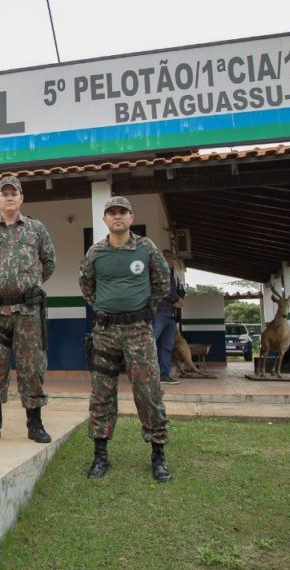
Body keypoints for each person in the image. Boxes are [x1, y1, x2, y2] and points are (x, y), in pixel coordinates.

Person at [78, 196, 172, 482]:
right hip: (105, 333)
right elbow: (86, 285)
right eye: (111, 213)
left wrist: (143, 310)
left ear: (131, 217)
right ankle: (100, 455)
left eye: (122, 212)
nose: (117, 217)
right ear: (105, 219)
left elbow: (162, 282)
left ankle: (158, 455)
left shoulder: (146, 248)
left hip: (138, 332)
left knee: (148, 391)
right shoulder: (95, 252)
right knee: (102, 394)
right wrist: (108, 308)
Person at [0, 175, 56, 444]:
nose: (9, 197)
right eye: (3, 194)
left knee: (32, 367)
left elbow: (49, 261)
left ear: (21, 198)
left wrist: (31, 285)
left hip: (28, 311)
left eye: (13, 193)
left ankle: (35, 424)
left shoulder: (36, 229)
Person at [154, 248, 185, 385]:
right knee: (151, 343)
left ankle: (164, 375)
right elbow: (164, 290)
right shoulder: (157, 272)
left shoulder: (170, 274)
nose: (173, 261)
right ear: (165, 258)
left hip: (171, 316)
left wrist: (178, 300)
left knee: (166, 346)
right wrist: (177, 300)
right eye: (171, 258)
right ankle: (146, 375)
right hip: (160, 313)